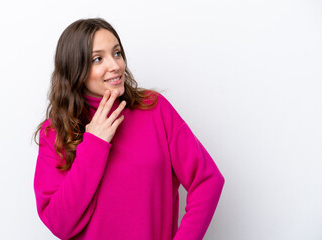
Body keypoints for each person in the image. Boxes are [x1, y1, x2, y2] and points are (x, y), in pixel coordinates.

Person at [33, 18, 224, 240]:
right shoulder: (54, 133)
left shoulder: (154, 109)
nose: (115, 65)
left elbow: (208, 179)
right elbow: (60, 224)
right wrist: (94, 144)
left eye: (116, 53)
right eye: (97, 59)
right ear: (75, 69)